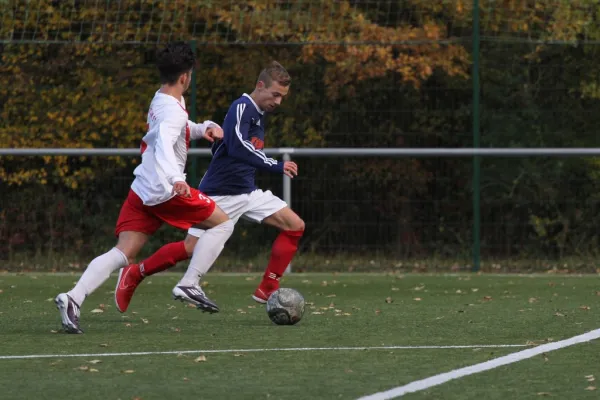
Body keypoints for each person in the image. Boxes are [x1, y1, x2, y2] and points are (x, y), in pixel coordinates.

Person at [55, 41, 234, 334]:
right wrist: (176, 179)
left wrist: (203, 128)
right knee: (223, 225)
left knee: (124, 252)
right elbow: (165, 141)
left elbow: (177, 128)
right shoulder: (172, 110)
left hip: (143, 188)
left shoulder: (163, 98)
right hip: (165, 190)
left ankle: (73, 298)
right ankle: (189, 283)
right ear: (185, 77)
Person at [114, 61, 304, 313]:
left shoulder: (258, 114)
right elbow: (237, 147)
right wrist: (274, 165)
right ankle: (136, 274)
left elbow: (229, 145)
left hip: (247, 191)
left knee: (295, 226)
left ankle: (267, 288)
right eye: (275, 94)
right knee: (189, 248)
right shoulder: (242, 107)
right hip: (220, 192)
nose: (278, 102)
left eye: (282, 97)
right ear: (260, 86)